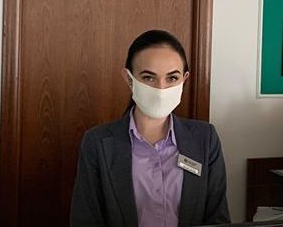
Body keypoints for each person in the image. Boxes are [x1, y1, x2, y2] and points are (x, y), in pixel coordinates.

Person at [70, 30, 230, 227]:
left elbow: (218, 218)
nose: (161, 89)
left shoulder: (205, 139)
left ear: (184, 79)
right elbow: (85, 220)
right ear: (129, 79)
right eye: (149, 77)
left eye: (172, 78)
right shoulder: (97, 143)